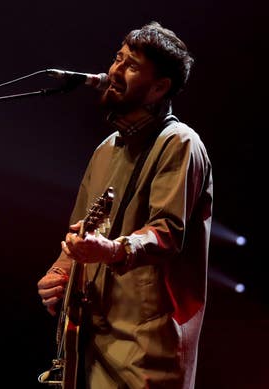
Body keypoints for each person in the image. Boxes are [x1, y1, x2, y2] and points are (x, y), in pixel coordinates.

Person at [37, 21, 213, 389]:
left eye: (131, 65)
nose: (115, 71)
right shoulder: (105, 149)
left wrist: (110, 249)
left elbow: (167, 234)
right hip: (91, 341)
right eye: (118, 58)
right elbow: (78, 231)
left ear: (159, 87)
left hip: (145, 350)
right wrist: (60, 272)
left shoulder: (180, 143)